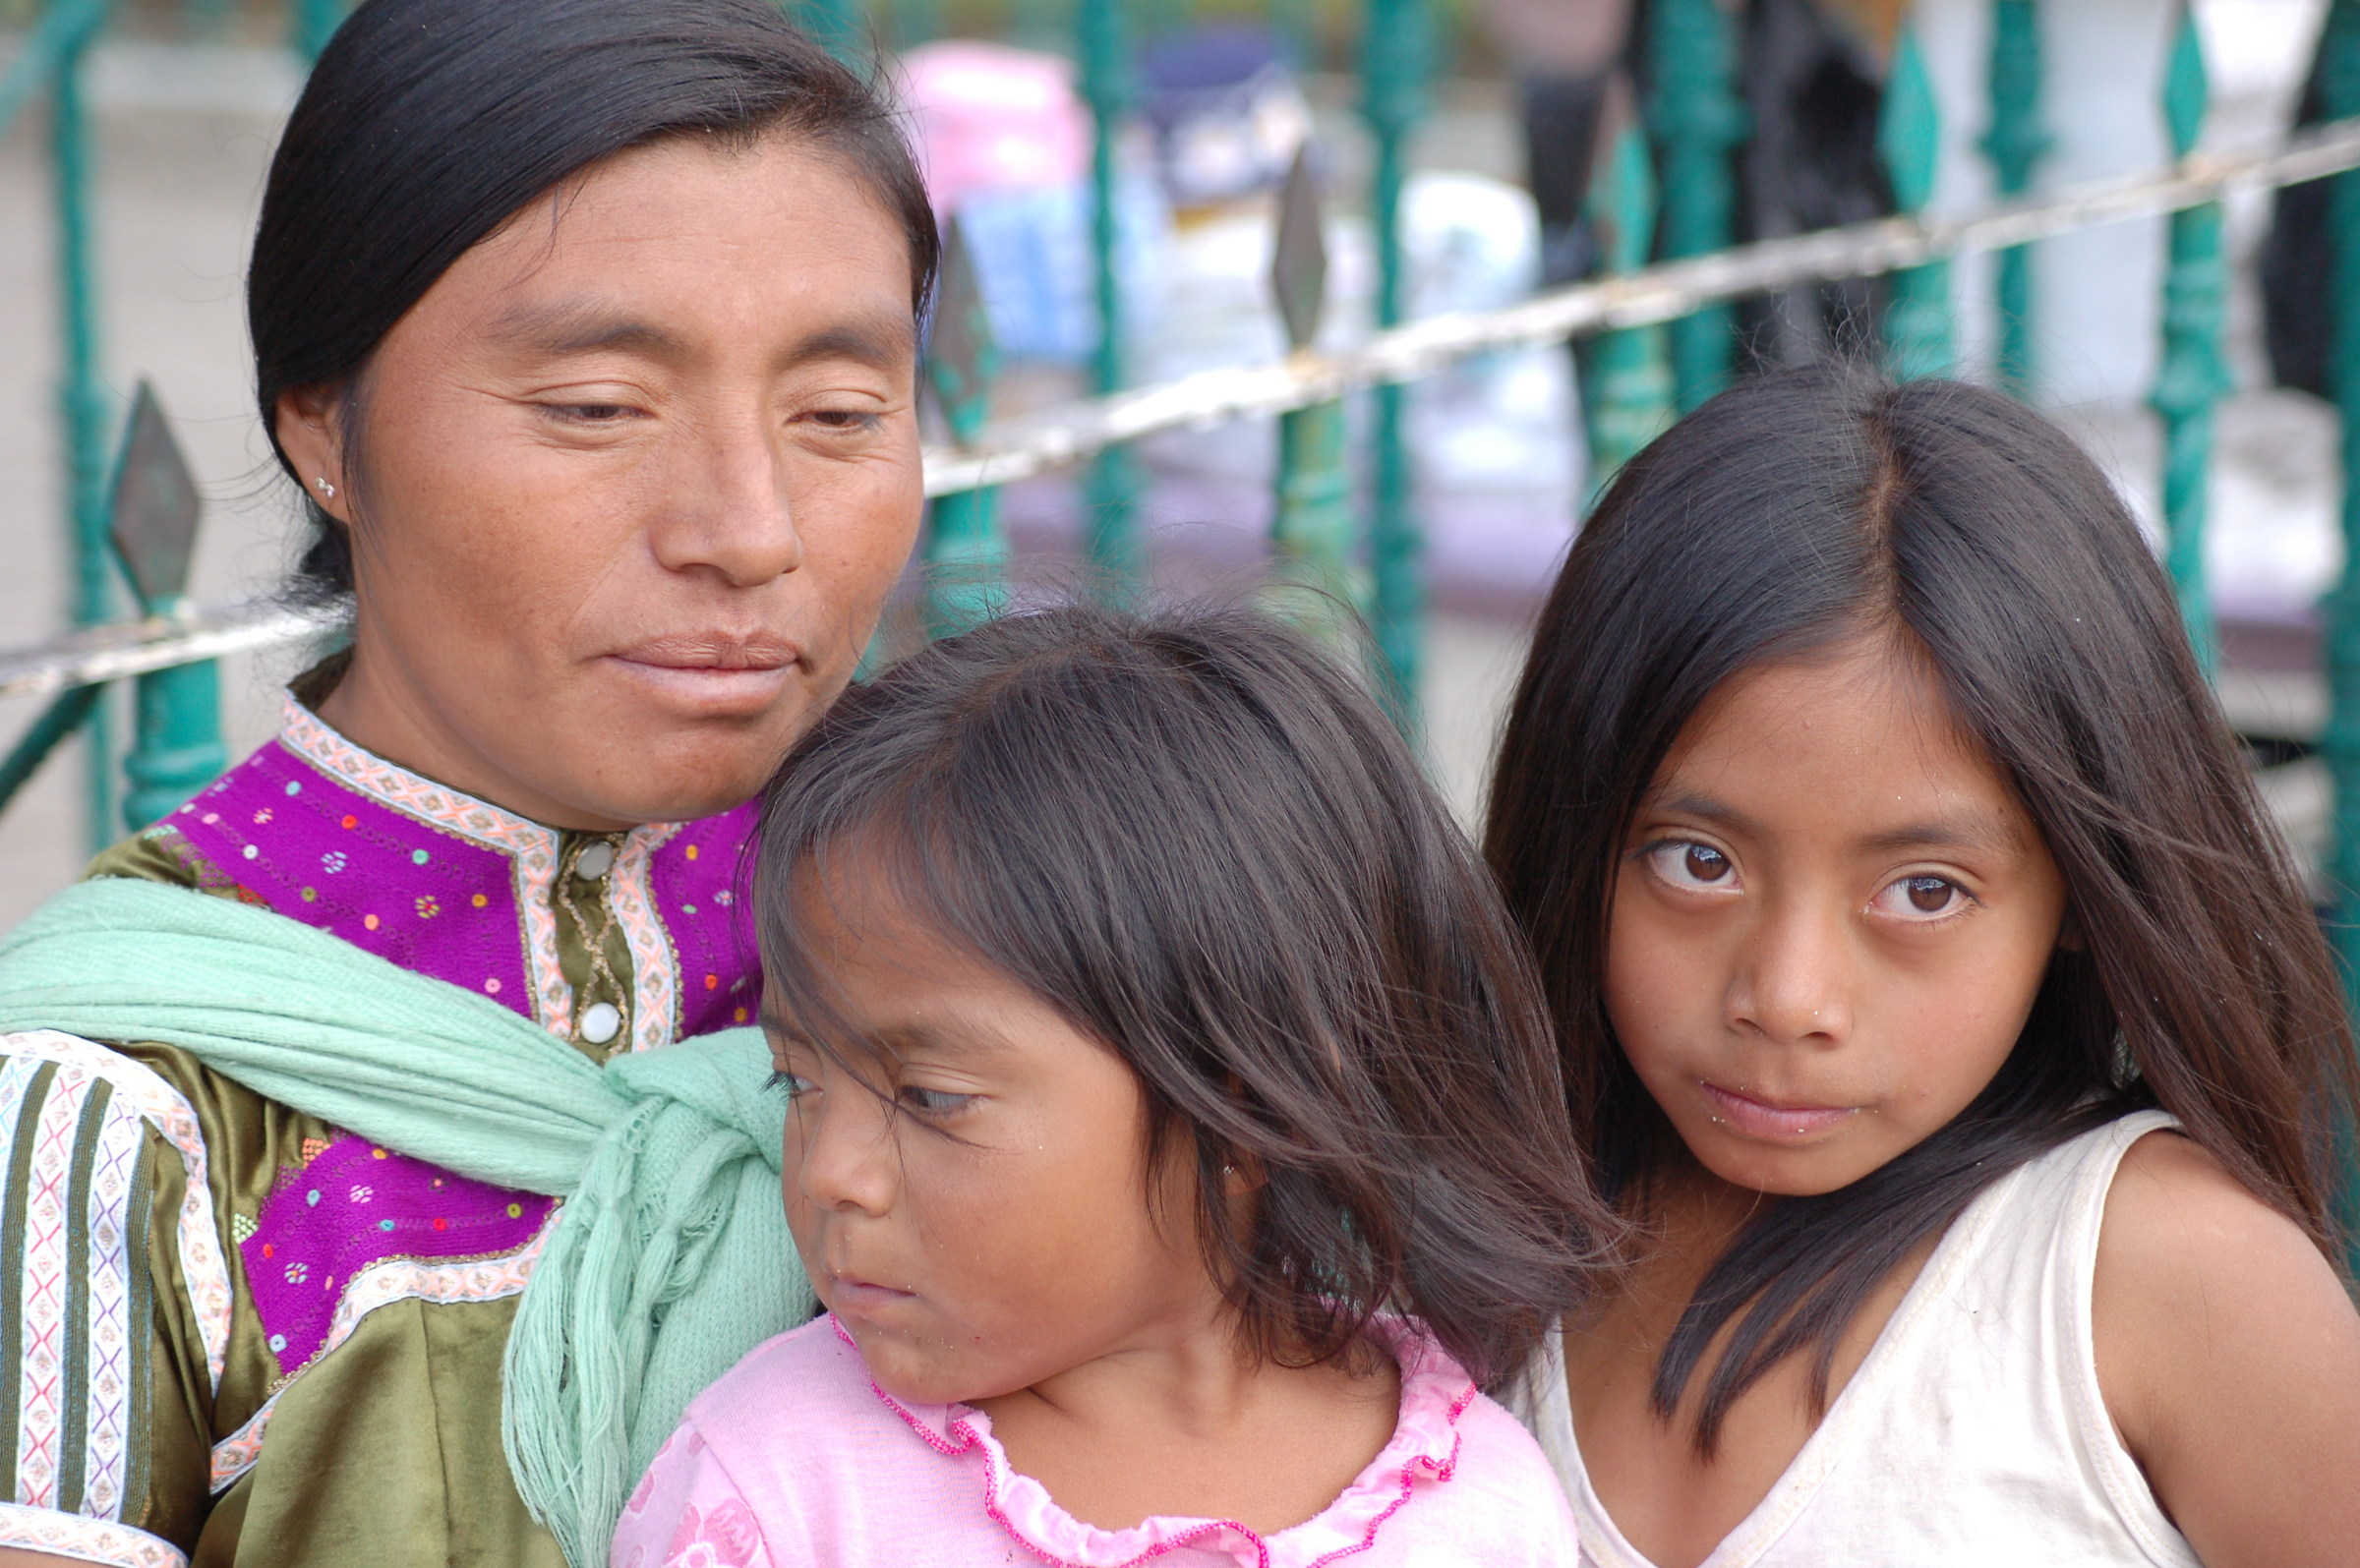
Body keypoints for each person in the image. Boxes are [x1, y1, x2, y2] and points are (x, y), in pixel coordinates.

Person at [0, 0, 937, 1563]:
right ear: (325, 427)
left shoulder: (1003, 952)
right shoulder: (115, 1104)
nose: (749, 527)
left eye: (839, 415)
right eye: (593, 409)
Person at [1484, 365, 2360, 1566]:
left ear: (2075, 892)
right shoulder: (1487, 1255)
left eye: (1924, 892)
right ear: (1580, 832)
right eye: (1697, 861)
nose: (1788, 997)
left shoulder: (2167, 1283)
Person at [611, 604, 1617, 1568]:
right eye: (796, 1081)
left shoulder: (1477, 1505)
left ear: (1252, 1107)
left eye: (931, 1096)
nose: (831, 1173)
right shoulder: (779, 1488)